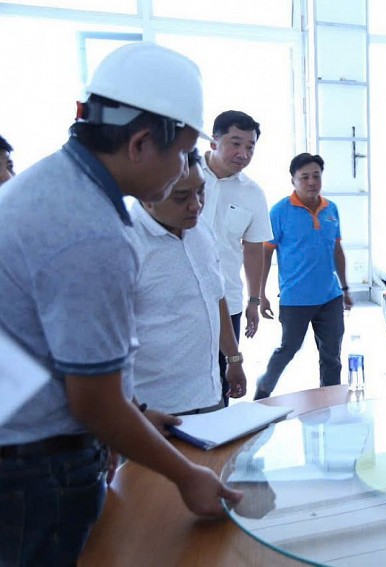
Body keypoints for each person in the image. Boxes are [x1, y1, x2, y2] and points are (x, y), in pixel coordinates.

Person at [0, 42, 241, 566]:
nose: (183, 171)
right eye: (182, 155)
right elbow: (94, 402)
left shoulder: (49, 185)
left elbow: (42, 345)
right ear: (139, 144)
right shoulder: (92, 233)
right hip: (33, 473)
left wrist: (136, 414)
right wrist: (186, 476)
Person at [128, 149, 247, 415]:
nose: (196, 205)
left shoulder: (200, 230)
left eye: (200, 191)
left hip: (209, 394)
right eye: (181, 197)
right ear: (148, 196)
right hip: (155, 408)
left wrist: (233, 358)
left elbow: (215, 296)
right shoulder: (125, 244)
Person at [254, 153, 353, 398]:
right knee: (288, 349)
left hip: (330, 297)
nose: (311, 182)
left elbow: (336, 250)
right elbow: (265, 254)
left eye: (316, 176)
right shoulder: (279, 211)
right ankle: (263, 391)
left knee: (332, 355)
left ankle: (330, 400)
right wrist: (260, 294)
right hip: (295, 299)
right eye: (305, 177)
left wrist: (345, 288)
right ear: (293, 180)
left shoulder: (331, 209)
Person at [200, 110, 272, 405]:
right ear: (214, 141)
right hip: (179, 299)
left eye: (250, 147)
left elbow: (253, 249)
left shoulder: (252, 193)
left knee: (222, 382)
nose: (243, 154)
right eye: (236, 143)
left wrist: (253, 300)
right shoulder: (183, 175)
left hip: (227, 300)